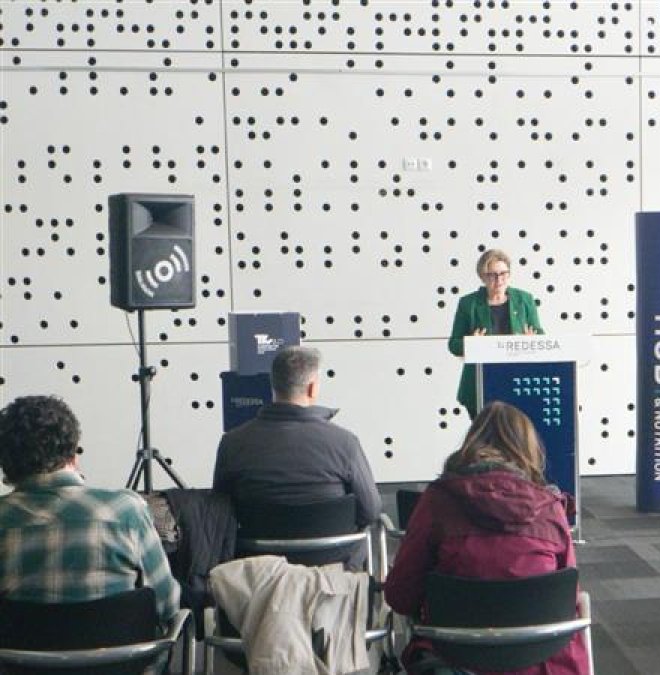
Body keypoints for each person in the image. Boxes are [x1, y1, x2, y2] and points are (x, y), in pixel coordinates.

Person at [384, 401, 588, 675]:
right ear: (528, 449)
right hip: (540, 660)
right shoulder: (550, 507)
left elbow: (400, 596)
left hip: (453, 656)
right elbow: (568, 597)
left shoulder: (437, 501)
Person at [0, 395, 180, 629]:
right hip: (124, 664)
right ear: (73, 452)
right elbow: (167, 604)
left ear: (6, 463)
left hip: (16, 665)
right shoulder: (126, 511)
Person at [213, 346, 382, 564]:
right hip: (333, 569)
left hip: (258, 570)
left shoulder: (232, 443)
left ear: (272, 385)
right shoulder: (345, 442)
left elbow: (219, 511)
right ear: (312, 388)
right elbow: (371, 510)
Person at [448, 249, 545, 417]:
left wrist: (533, 340)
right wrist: (471, 344)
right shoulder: (468, 303)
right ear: (483, 277)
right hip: (480, 383)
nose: (499, 280)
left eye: (503, 274)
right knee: (486, 440)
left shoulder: (524, 299)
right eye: (492, 275)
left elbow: (541, 335)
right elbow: (454, 344)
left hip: (517, 380)